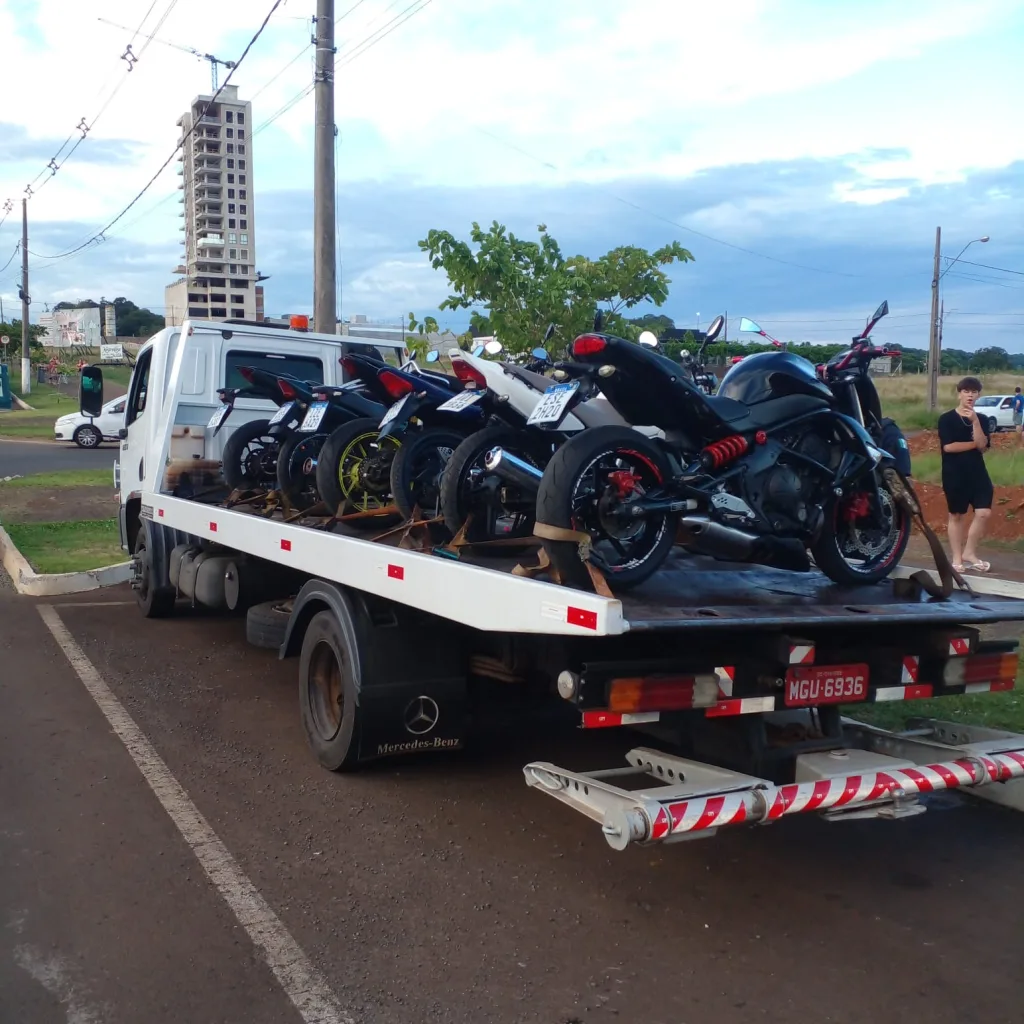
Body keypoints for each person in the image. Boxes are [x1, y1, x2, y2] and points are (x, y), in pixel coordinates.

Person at [937, 377, 993, 573]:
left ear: (978, 395)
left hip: (977, 472)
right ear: (959, 393)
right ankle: (957, 558)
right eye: (966, 391)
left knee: (983, 512)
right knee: (957, 515)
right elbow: (949, 447)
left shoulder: (983, 419)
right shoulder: (946, 419)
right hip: (954, 473)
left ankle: (969, 552)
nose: (970, 395)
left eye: (974, 392)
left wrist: (975, 422)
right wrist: (975, 445)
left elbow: (984, 447)